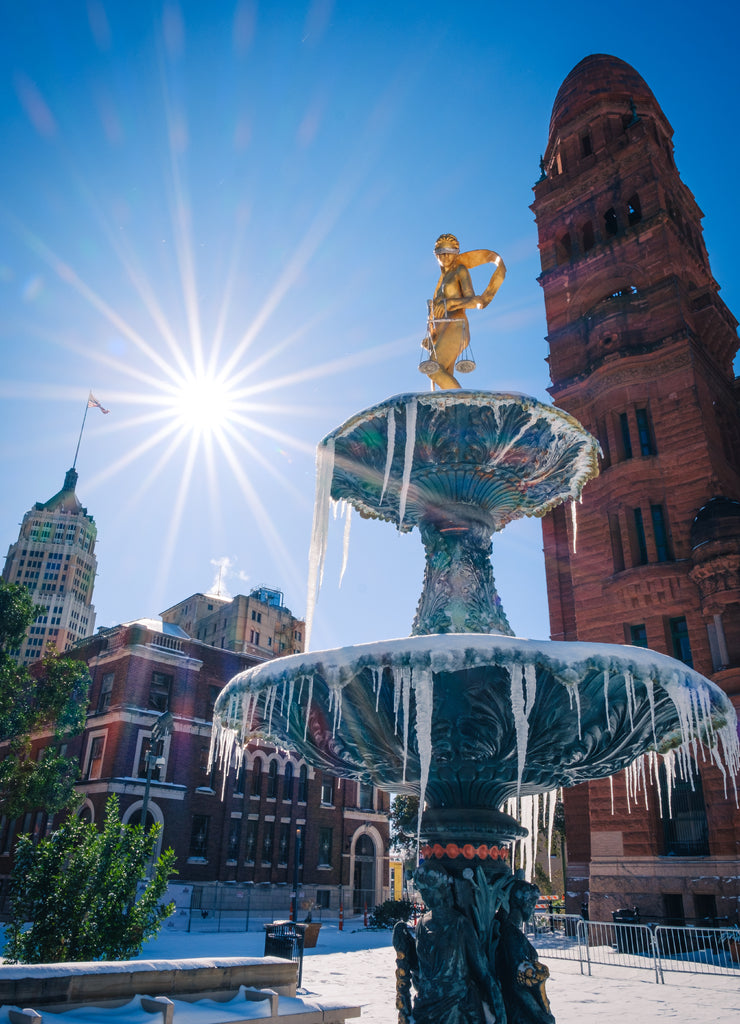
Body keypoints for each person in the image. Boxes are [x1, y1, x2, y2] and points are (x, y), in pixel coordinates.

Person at [392, 862, 505, 1024]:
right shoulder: (422, 925)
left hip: (458, 1005)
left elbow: (482, 970)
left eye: (432, 891)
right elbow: (422, 970)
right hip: (427, 1003)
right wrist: (405, 948)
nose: (428, 897)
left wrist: (498, 1007)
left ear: (443, 890)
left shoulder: (459, 924)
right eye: (424, 891)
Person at [422, 234, 505, 390]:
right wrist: (432, 336)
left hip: (456, 325)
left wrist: (450, 303)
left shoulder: (460, 271)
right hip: (443, 330)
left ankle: (463, 405)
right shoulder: (441, 282)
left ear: (456, 254)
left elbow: (475, 301)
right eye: (441, 253)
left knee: (434, 369)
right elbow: (438, 314)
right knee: (445, 374)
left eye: (449, 253)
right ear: (436, 255)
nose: (445, 257)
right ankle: (449, 410)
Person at [496, 878, 555, 1024]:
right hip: (519, 1009)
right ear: (524, 904)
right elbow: (518, 983)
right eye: (533, 904)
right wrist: (540, 1015)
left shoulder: (511, 931)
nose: (533, 908)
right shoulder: (512, 935)